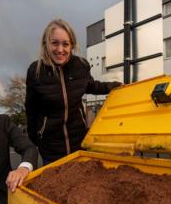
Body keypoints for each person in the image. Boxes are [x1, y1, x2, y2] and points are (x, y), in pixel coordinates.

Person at [25, 18, 121, 165]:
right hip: (51, 148)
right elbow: (31, 108)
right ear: (46, 44)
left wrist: (117, 86)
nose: (60, 49)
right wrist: (35, 139)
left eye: (65, 44)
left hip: (79, 141)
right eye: (54, 43)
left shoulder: (81, 65)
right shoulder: (35, 71)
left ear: (72, 45)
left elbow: (92, 86)